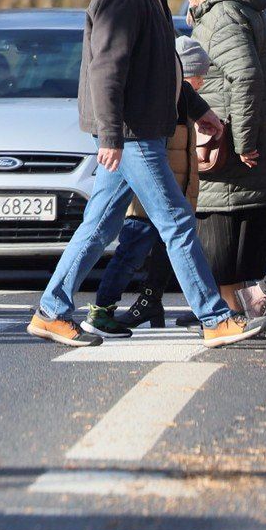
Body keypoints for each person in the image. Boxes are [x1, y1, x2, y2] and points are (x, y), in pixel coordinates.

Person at [32, 0, 264, 349]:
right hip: (133, 133)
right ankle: (214, 318)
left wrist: (198, 110)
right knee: (176, 218)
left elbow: (162, 69)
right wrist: (112, 134)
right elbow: (107, 68)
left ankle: (52, 309)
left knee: (100, 226)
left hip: (138, 129)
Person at [178, 0, 266, 318]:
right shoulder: (245, 9)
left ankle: (228, 317)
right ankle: (240, 314)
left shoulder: (220, 17)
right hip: (237, 148)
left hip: (228, 151)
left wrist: (244, 141)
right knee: (240, 244)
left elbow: (246, 76)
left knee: (221, 242)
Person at [96, 35, 208, 330]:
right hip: (148, 201)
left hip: (175, 197)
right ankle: (103, 305)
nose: (201, 84)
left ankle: (151, 304)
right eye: (198, 77)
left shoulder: (188, 100)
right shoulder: (165, 98)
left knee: (163, 255)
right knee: (130, 253)